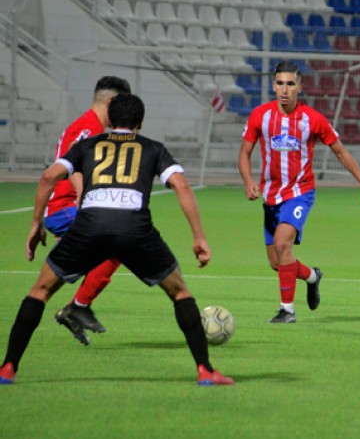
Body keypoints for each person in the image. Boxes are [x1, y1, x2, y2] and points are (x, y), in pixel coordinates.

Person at [0, 94, 233, 386]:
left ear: (108, 121)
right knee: (180, 293)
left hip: (88, 226)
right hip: (134, 229)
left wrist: (36, 224)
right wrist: (198, 236)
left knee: (40, 291)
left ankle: (7, 368)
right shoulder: (152, 147)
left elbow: (48, 177)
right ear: (140, 123)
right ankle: (206, 371)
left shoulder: (86, 145)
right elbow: (181, 185)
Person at [238, 60, 360, 324]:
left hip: (299, 193)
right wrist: (248, 181)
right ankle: (312, 276)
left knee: (282, 244)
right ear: (273, 85)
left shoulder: (312, 119)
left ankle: (287, 311)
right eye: (280, 83)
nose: (284, 89)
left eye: (291, 84)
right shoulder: (261, 115)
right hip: (271, 197)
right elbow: (244, 152)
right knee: (278, 263)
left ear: (300, 87)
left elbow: (340, 152)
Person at [47, 76, 131, 345]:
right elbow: (71, 159)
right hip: (65, 207)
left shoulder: (92, 125)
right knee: (118, 244)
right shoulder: (89, 128)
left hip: (71, 208)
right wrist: (85, 203)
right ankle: (77, 307)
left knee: (109, 250)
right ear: (110, 102)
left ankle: (74, 307)